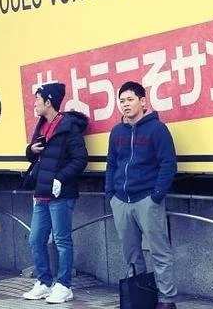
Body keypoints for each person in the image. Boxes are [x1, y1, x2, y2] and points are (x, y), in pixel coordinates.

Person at [105, 81, 178, 309]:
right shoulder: (117, 132)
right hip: (121, 200)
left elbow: (168, 164)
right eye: (122, 101)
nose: (125, 104)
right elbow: (111, 164)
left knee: (159, 252)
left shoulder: (157, 129)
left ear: (143, 101)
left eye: (130, 99)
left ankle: (167, 300)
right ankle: (140, 299)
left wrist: (156, 195)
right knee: (131, 254)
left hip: (147, 199)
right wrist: (110, 193)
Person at [22, 82, 88, 304]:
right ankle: (43, 282)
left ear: (49, 102)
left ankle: (64, 285)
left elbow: (80, 159)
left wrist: (61, 178)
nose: (34, 104)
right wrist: (31, 150)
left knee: (62, 240)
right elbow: (33, 155)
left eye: (38, 99)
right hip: (41, 192)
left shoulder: (69, 127)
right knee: (35, 239)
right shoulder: (41, 125)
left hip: (61, 194)